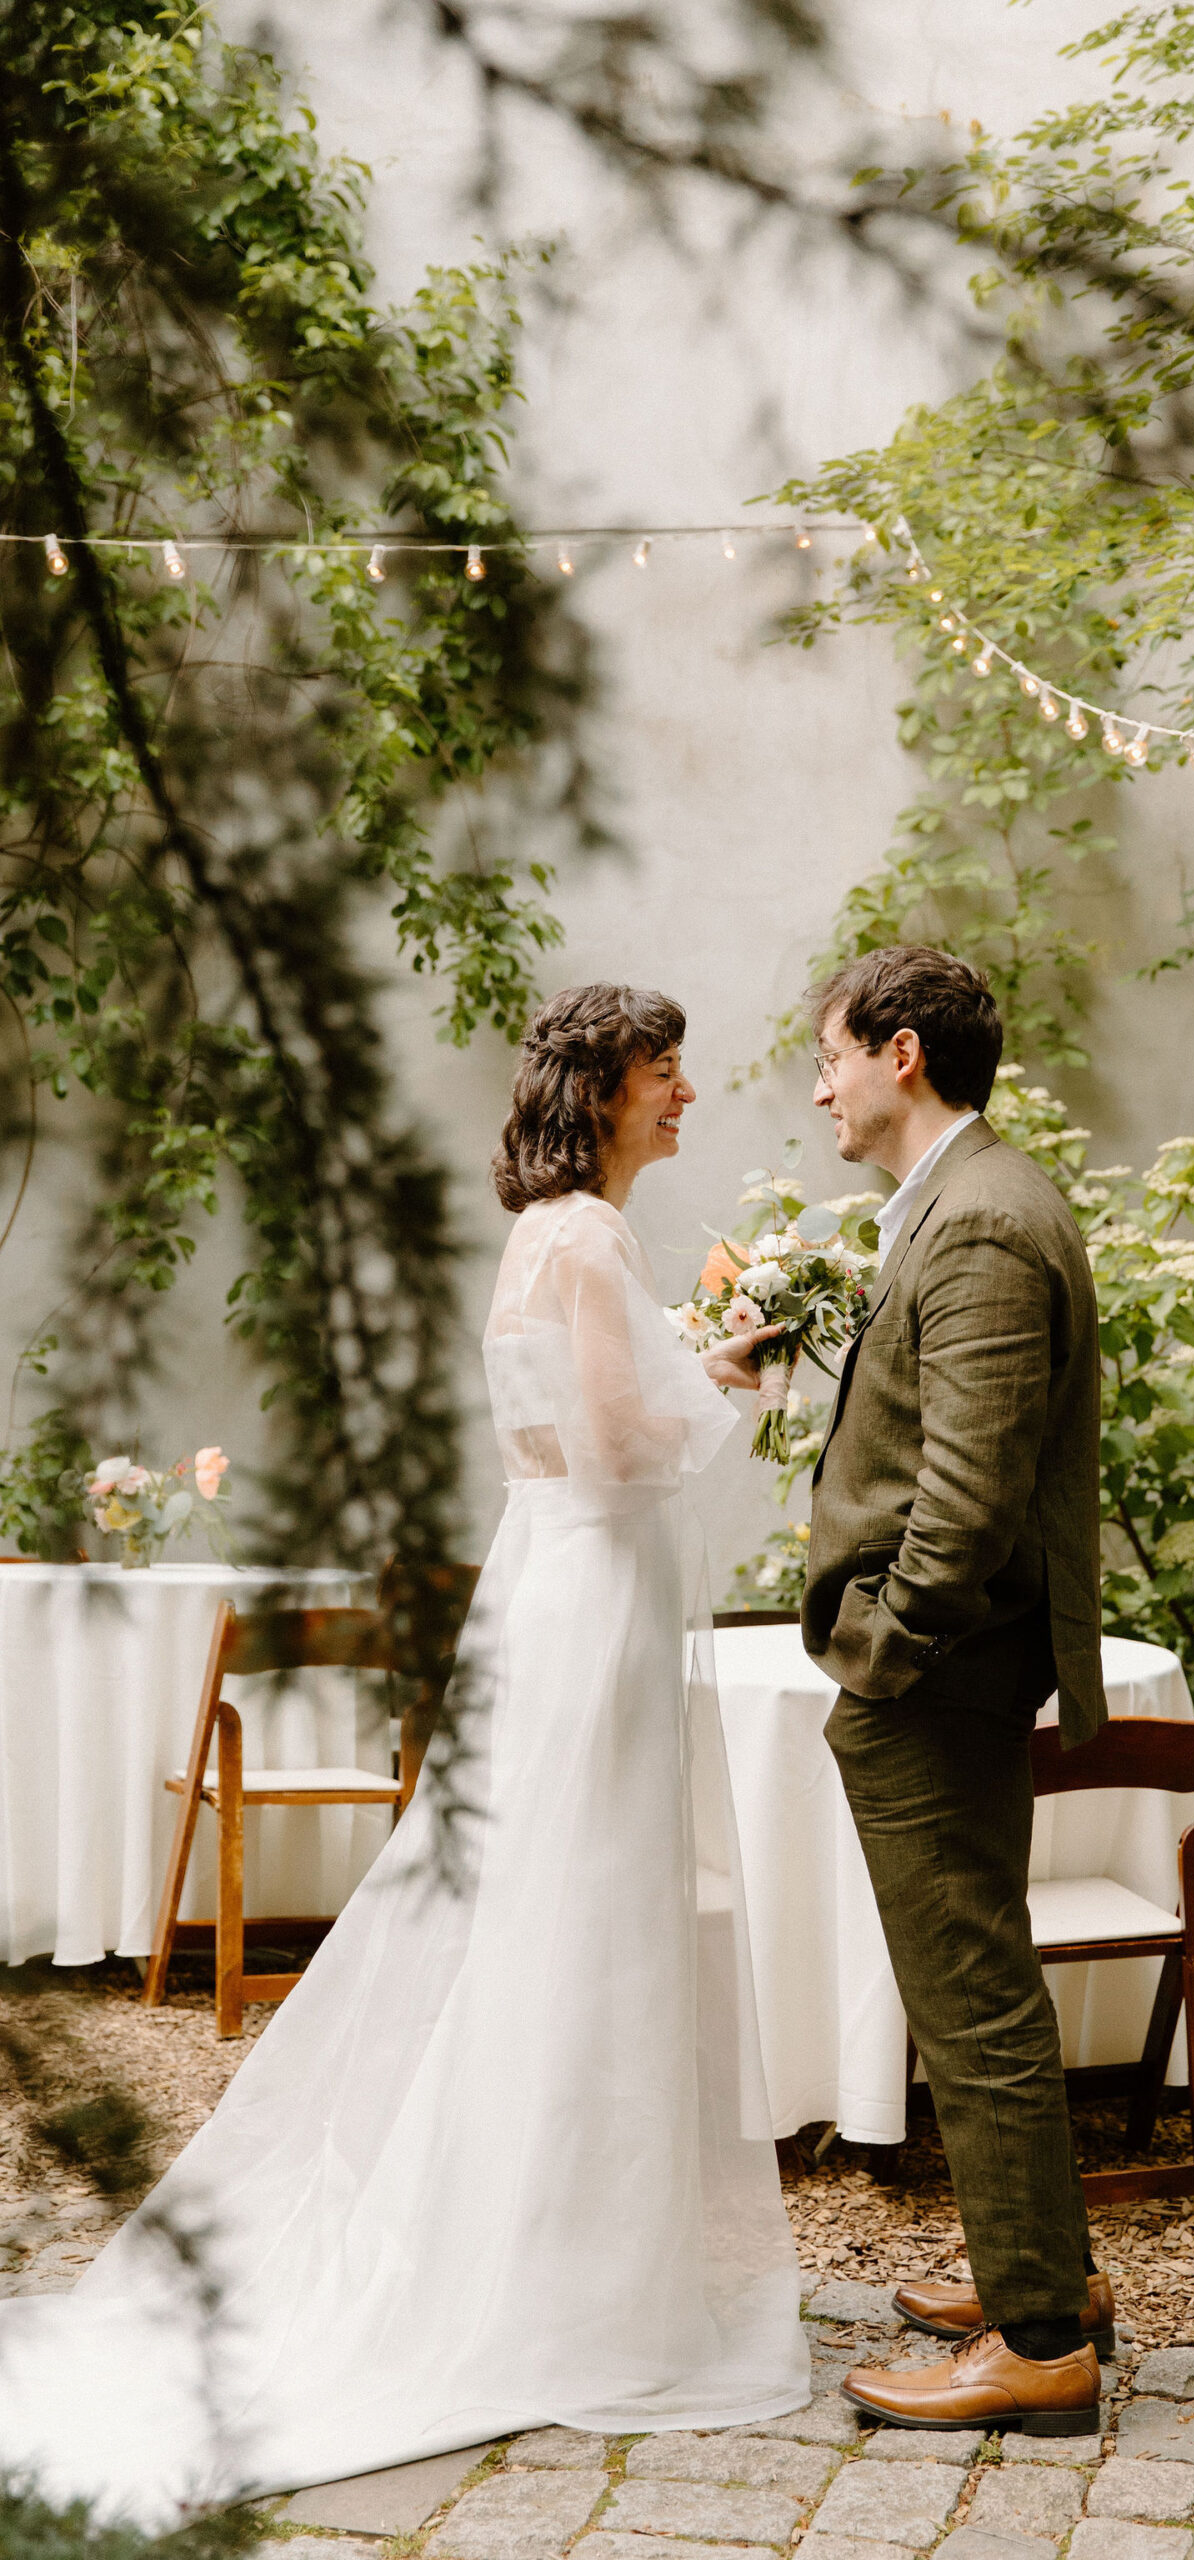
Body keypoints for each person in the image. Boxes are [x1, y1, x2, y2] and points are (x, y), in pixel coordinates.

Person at [0, 984, 808, 2521]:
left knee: (562, 1912)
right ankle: (567, 2278)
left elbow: (545, 1450)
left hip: (557, 1589)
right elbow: (612, 1456)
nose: (687, 1092)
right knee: (590, 1912)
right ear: (605, 1086)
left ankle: (549, 2241)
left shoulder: (542, 1239)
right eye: (666, 1071)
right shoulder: (586, 1240)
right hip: (589, 1589)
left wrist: (689, 1371)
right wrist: (734, 1377)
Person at [800, 944, 1113, 2438]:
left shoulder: (982, 1222)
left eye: (833, 1054)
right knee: (982, 1985)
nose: (822, 1084)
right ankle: (1040, 2275)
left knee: (971, 1995)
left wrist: (881, 1652)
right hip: (952, 1670)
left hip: (938, 1676)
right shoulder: (968, 1199)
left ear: (902, 1054)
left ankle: (1042, 2343)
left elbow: (971, 1494)